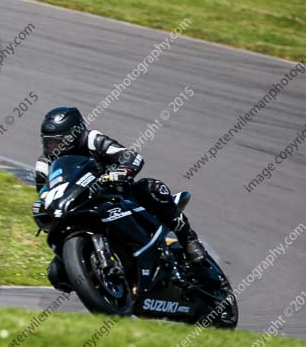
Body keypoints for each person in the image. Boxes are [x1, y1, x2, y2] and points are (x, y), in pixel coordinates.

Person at [35, 106, 206, 269]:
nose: (52, 147)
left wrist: (119, 173)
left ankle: (189, 240)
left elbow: (131, 157)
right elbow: (44, 192)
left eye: (58, 142)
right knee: (57, 272)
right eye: (48, 142)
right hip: (80, 207)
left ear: (75, 135)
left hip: (117, 195)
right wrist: (41, 206)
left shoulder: (93, 140)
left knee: (152, 188)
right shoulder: (44, 164)